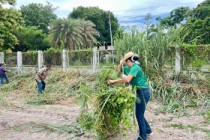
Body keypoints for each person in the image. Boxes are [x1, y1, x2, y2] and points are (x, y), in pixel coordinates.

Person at [108, 52, 152, 140]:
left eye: (126, 61)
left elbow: (127, 80)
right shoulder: (129, 68)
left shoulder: (135, 67)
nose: (125, 63)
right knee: (140, 113)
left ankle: (142, 137)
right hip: (139, 92)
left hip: (143, 93)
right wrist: (121, 63)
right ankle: (148, 130)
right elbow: (118, 70)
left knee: (139, 115)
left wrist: (113, 81)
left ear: (129, 60)